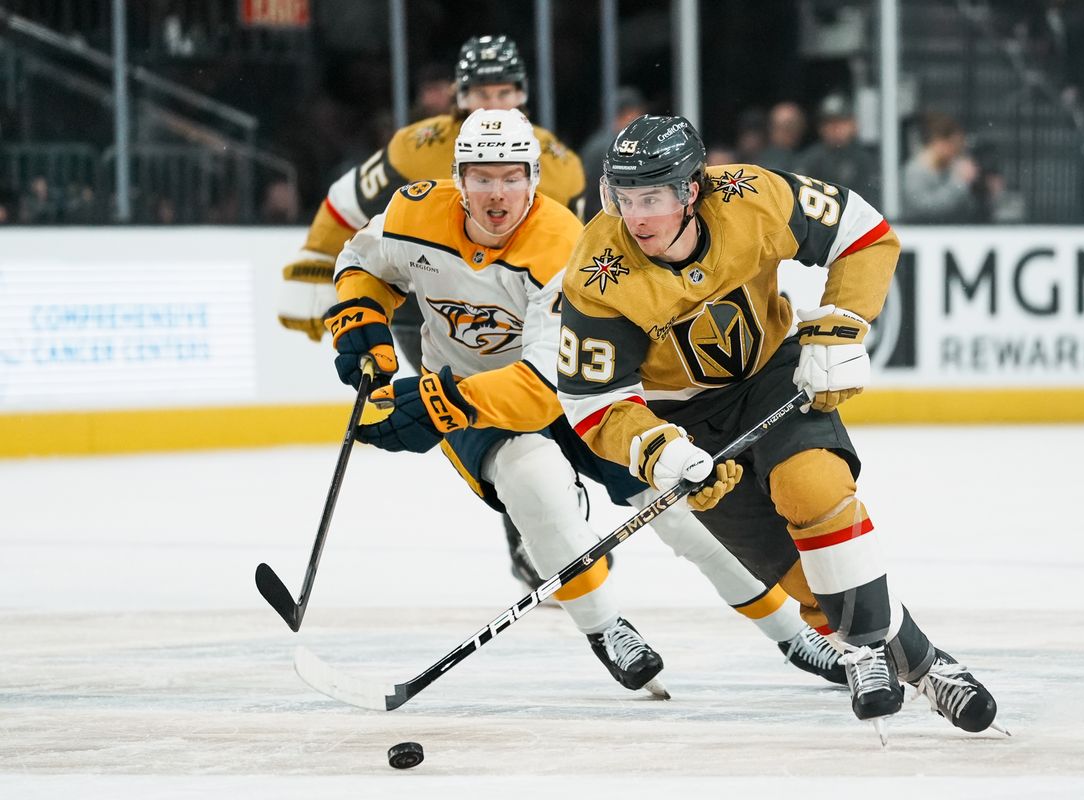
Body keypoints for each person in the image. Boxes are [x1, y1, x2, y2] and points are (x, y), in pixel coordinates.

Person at [322, 108, 849, 695]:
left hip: (574, 395)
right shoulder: (412, 212)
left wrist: (439, 404)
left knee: (682, 508)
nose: (498, 195)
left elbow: (544, 384)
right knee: (533, 480)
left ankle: (792, 633)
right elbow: (362, 261)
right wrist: (360, 316)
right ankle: (606, 629)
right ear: (456, 177)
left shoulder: (566, 251)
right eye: (481, 177)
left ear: (534, 177)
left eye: (512, 177)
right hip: (476, 403)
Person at [556, 114, 1004, 738]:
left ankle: (870, 652)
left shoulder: (751, 196)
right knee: (809, 586)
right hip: (684, 425)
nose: (636, 217)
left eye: (652, 198)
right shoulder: (597, 273)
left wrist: (843, 320)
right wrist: (654, 449)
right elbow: (591, 403)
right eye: (623, 198)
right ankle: (924, 666)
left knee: (812, 490)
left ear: (691, 190)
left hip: (773, 377)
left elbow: (863, 231)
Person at [277, 34, 587, 593]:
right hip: (432, 299)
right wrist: (315, 259)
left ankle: (553, 507)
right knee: (468, 409)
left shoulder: (556, 163)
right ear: (456, 96)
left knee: (539, 400)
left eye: (505, 91)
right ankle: (528, 526)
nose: (493, 104)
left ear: (523, 94)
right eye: (481, 92)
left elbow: (586, 255)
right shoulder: (415, 146)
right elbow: (346, 203)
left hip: (522, 308)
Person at [795, 93, 880, 209]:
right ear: (820, 127)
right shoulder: (810, 160)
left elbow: (873, 200)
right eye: (829, 122)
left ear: (853, 124)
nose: (835, 128)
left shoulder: (866, 160)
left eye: (841, 121)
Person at [579, 86, 649, 220]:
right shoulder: (616, 147)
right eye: (640, 114)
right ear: (630, 113)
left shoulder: (597, 143)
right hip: (609, 219)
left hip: (596, 219)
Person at [900, 111, 979, 223]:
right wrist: (959, 182)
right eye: (954, 146)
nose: (956, 152)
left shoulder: (949, 168)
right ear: (940, 142)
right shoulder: (915, 172)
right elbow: (923, 209)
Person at [757, 101, 807, 174]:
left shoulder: (812, 157)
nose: (789, 130)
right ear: (771, 128)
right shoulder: (761, 162)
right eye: (783, 126)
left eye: (793, 125)